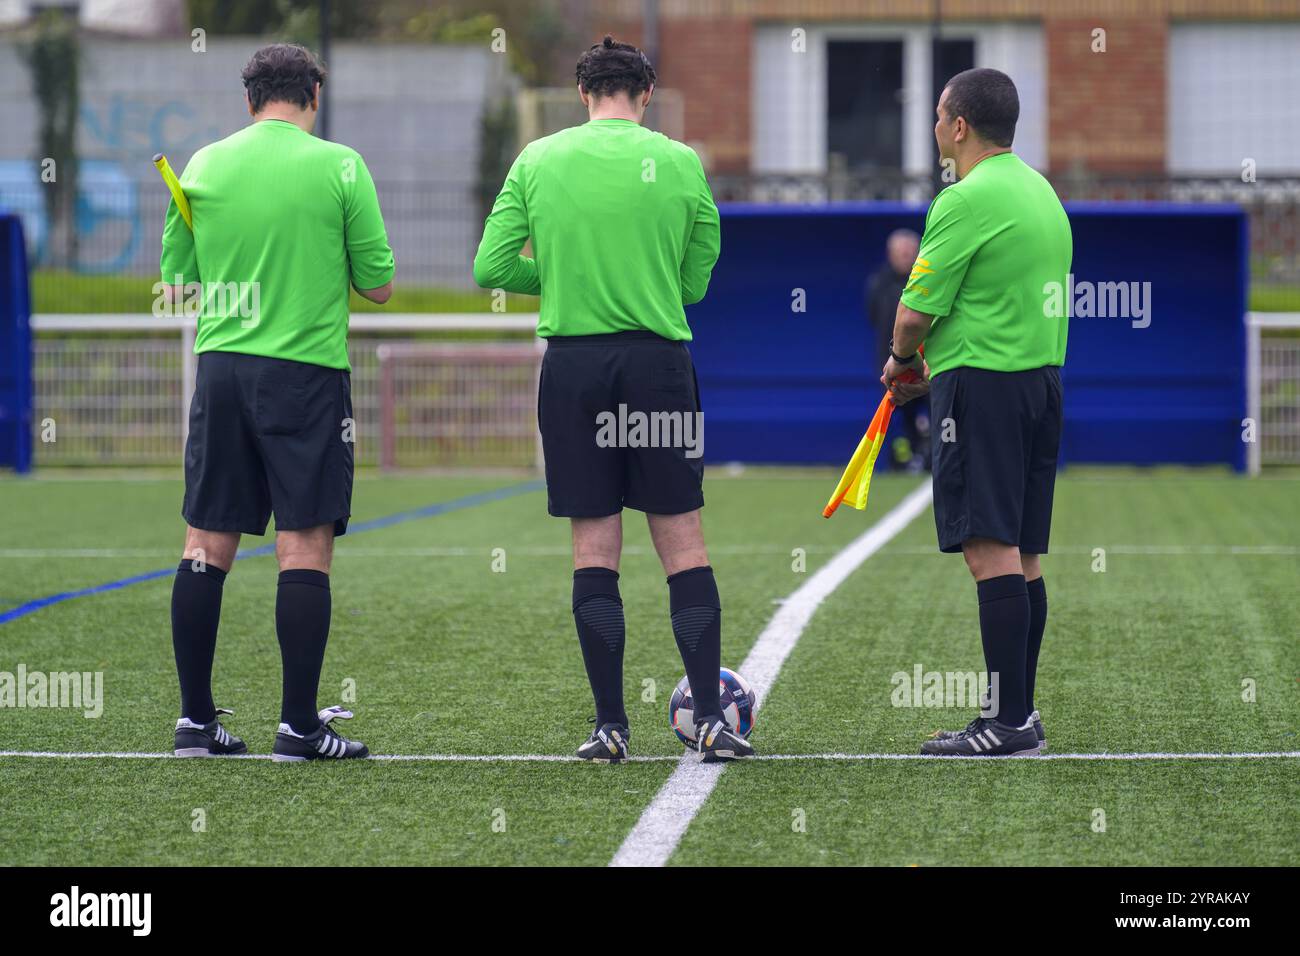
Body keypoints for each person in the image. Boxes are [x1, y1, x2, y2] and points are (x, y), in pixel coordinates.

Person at [473, 36, 750, 763]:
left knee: (594, 549)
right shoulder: (682, 163)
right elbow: (693, 285)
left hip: (574, 367)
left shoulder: (539, 159)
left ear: (581, 92)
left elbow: (490, 266)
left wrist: (563, 276)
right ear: (647, 94)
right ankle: (714, 722)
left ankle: (609, 728)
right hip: (657, 365)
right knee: (682, 543)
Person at [161, 43, 394, 762]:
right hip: (305, 373)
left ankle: (195, 723)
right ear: (313, 94)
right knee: (305, 546)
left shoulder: (202, 166)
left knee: (205, 544)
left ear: (249, 97)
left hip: (223, 371)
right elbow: (379, 284)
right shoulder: (340, 165)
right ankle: (298, 727)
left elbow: (176, 287)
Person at [880, 67, 1071, 757]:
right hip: (1040, 386)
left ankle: (1008, 722)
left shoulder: (963, 199)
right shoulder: (1041, 191)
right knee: (1023, 556)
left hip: (984, 393)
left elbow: (913, 313)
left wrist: (905, 362)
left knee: (988, 552)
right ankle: (1019, 711)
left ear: (959, 126)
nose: (935, 128)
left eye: (937, 116)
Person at [865, 228, 929, 471]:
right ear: (890, 254)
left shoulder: (926, 281)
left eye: (909, 252)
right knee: (901, 413)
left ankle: (932, 457)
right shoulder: (879, 284)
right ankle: (903, 458)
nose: (905, 257)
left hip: (927, 362)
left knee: (937, 410)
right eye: (900, 252)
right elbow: (873, 316)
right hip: (893, 363)